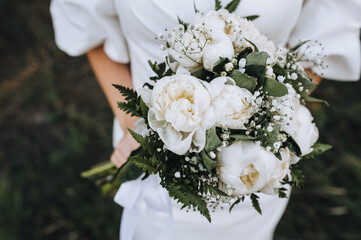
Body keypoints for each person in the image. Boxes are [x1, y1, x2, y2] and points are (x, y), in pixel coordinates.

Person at [50, 0, 361, 239]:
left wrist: (275, 111)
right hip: (148, 143)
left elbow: (327, 31)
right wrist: (132, 122)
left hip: (258, 164)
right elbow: (84, 18)